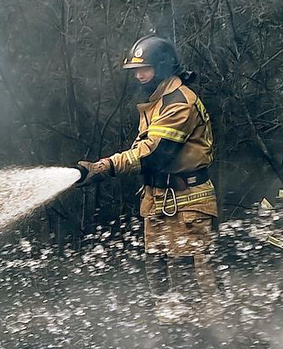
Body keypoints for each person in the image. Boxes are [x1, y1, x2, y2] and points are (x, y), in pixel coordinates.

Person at [72, 36, 218, 296]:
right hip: (158, 202)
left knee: (189, 281)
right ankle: (169, 332)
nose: (139, 75)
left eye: (145, 69)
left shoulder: (179, 102)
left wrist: (105, 166)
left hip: (187, 204)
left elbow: (154, 153)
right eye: (136, 70)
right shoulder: (158, 101)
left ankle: (205, 334)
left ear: (162, 67)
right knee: (159, 279)